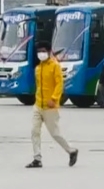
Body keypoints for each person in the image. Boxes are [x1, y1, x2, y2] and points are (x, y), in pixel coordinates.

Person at [26, 41, 79, 169]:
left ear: (49, 52)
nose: (41, 54)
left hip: (50, 106)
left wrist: (54, 99)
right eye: (39, 51)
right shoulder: (38, 68)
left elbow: (59, 84)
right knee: (34, 131)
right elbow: (39, 86)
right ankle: (37, 158)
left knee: (55, 133)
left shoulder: (55, 66)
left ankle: (71, 151)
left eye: (43, 51)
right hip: (38, 105)